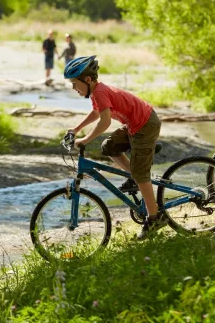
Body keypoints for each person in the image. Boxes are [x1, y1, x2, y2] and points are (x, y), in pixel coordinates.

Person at [63, 55, 166, 240]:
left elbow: (105, 121)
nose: (74, 88)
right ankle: (135, 177)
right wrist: (76, 129)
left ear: (87, 79)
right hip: (134, 125)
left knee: (141, 173)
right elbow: (97, 113)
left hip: (145, 124)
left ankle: (155, 218)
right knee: (109, 147)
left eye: (74, 83)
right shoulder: (96, 93)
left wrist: (85, 139)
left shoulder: (100, 92)